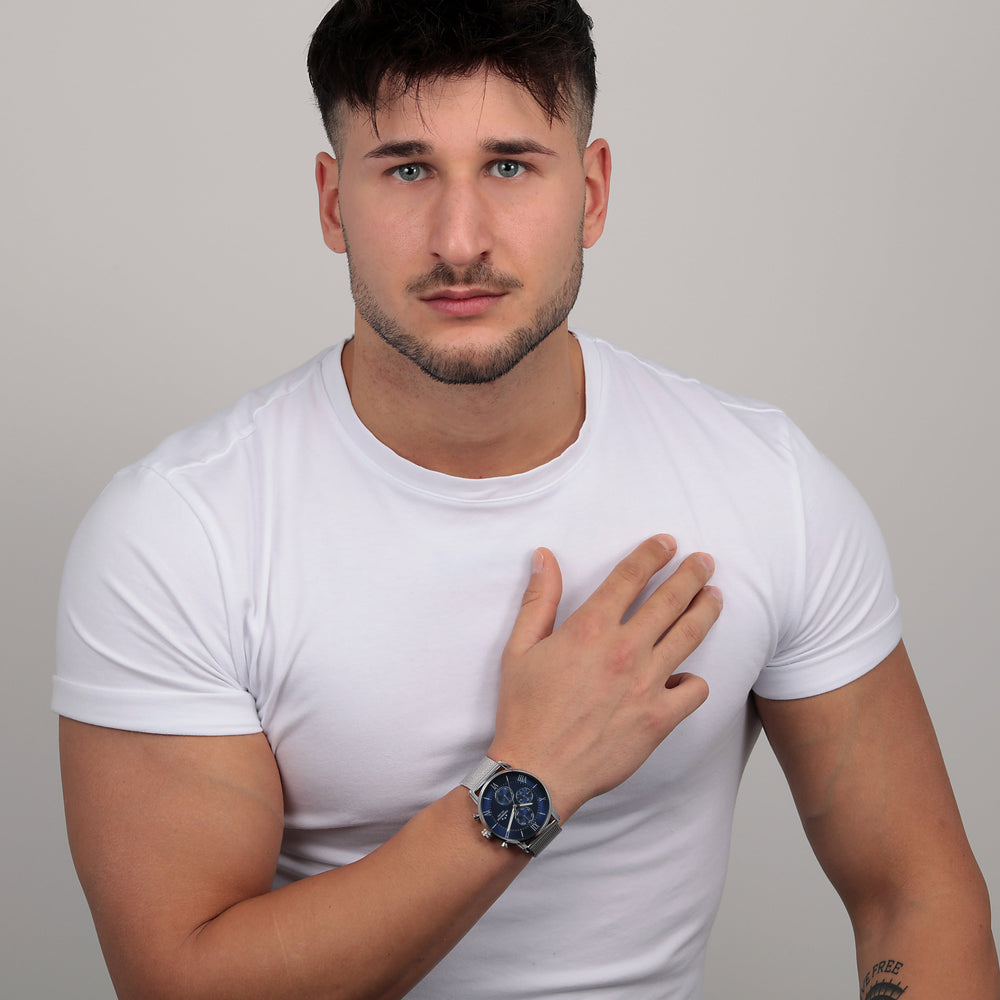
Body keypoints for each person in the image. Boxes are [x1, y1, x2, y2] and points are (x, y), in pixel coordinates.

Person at [54, 2, 998, 998]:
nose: (460, 240)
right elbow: (182, 982)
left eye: (509, 166)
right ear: (333, 204)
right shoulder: (180, 533)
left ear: (591, 193)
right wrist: (532, 776)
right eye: (407, 170)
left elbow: (915, 894)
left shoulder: (765, 486)